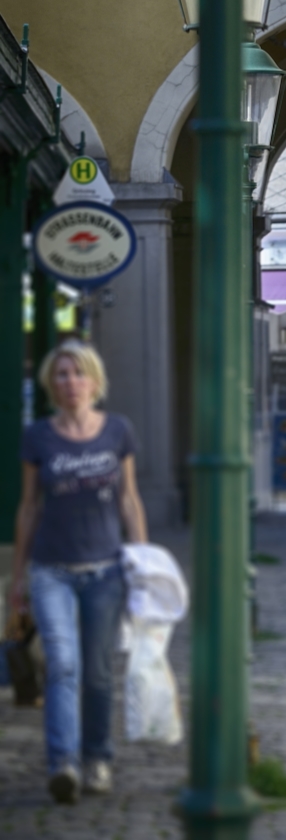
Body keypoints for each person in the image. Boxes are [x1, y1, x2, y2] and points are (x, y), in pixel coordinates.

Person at [7, 340, 148, 804]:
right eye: (62, 374)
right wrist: (17, 578)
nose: (71, 382)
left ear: (94, 381)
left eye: (78, 373)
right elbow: (28, 508)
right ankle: (62, 762)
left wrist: (142, 562)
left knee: (98, 673)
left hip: (105, 571)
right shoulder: (38, 437)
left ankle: (97, 759)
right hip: (51, 571)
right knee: (62, 666)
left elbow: (129, 499)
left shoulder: (117, 431)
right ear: (51, 383)